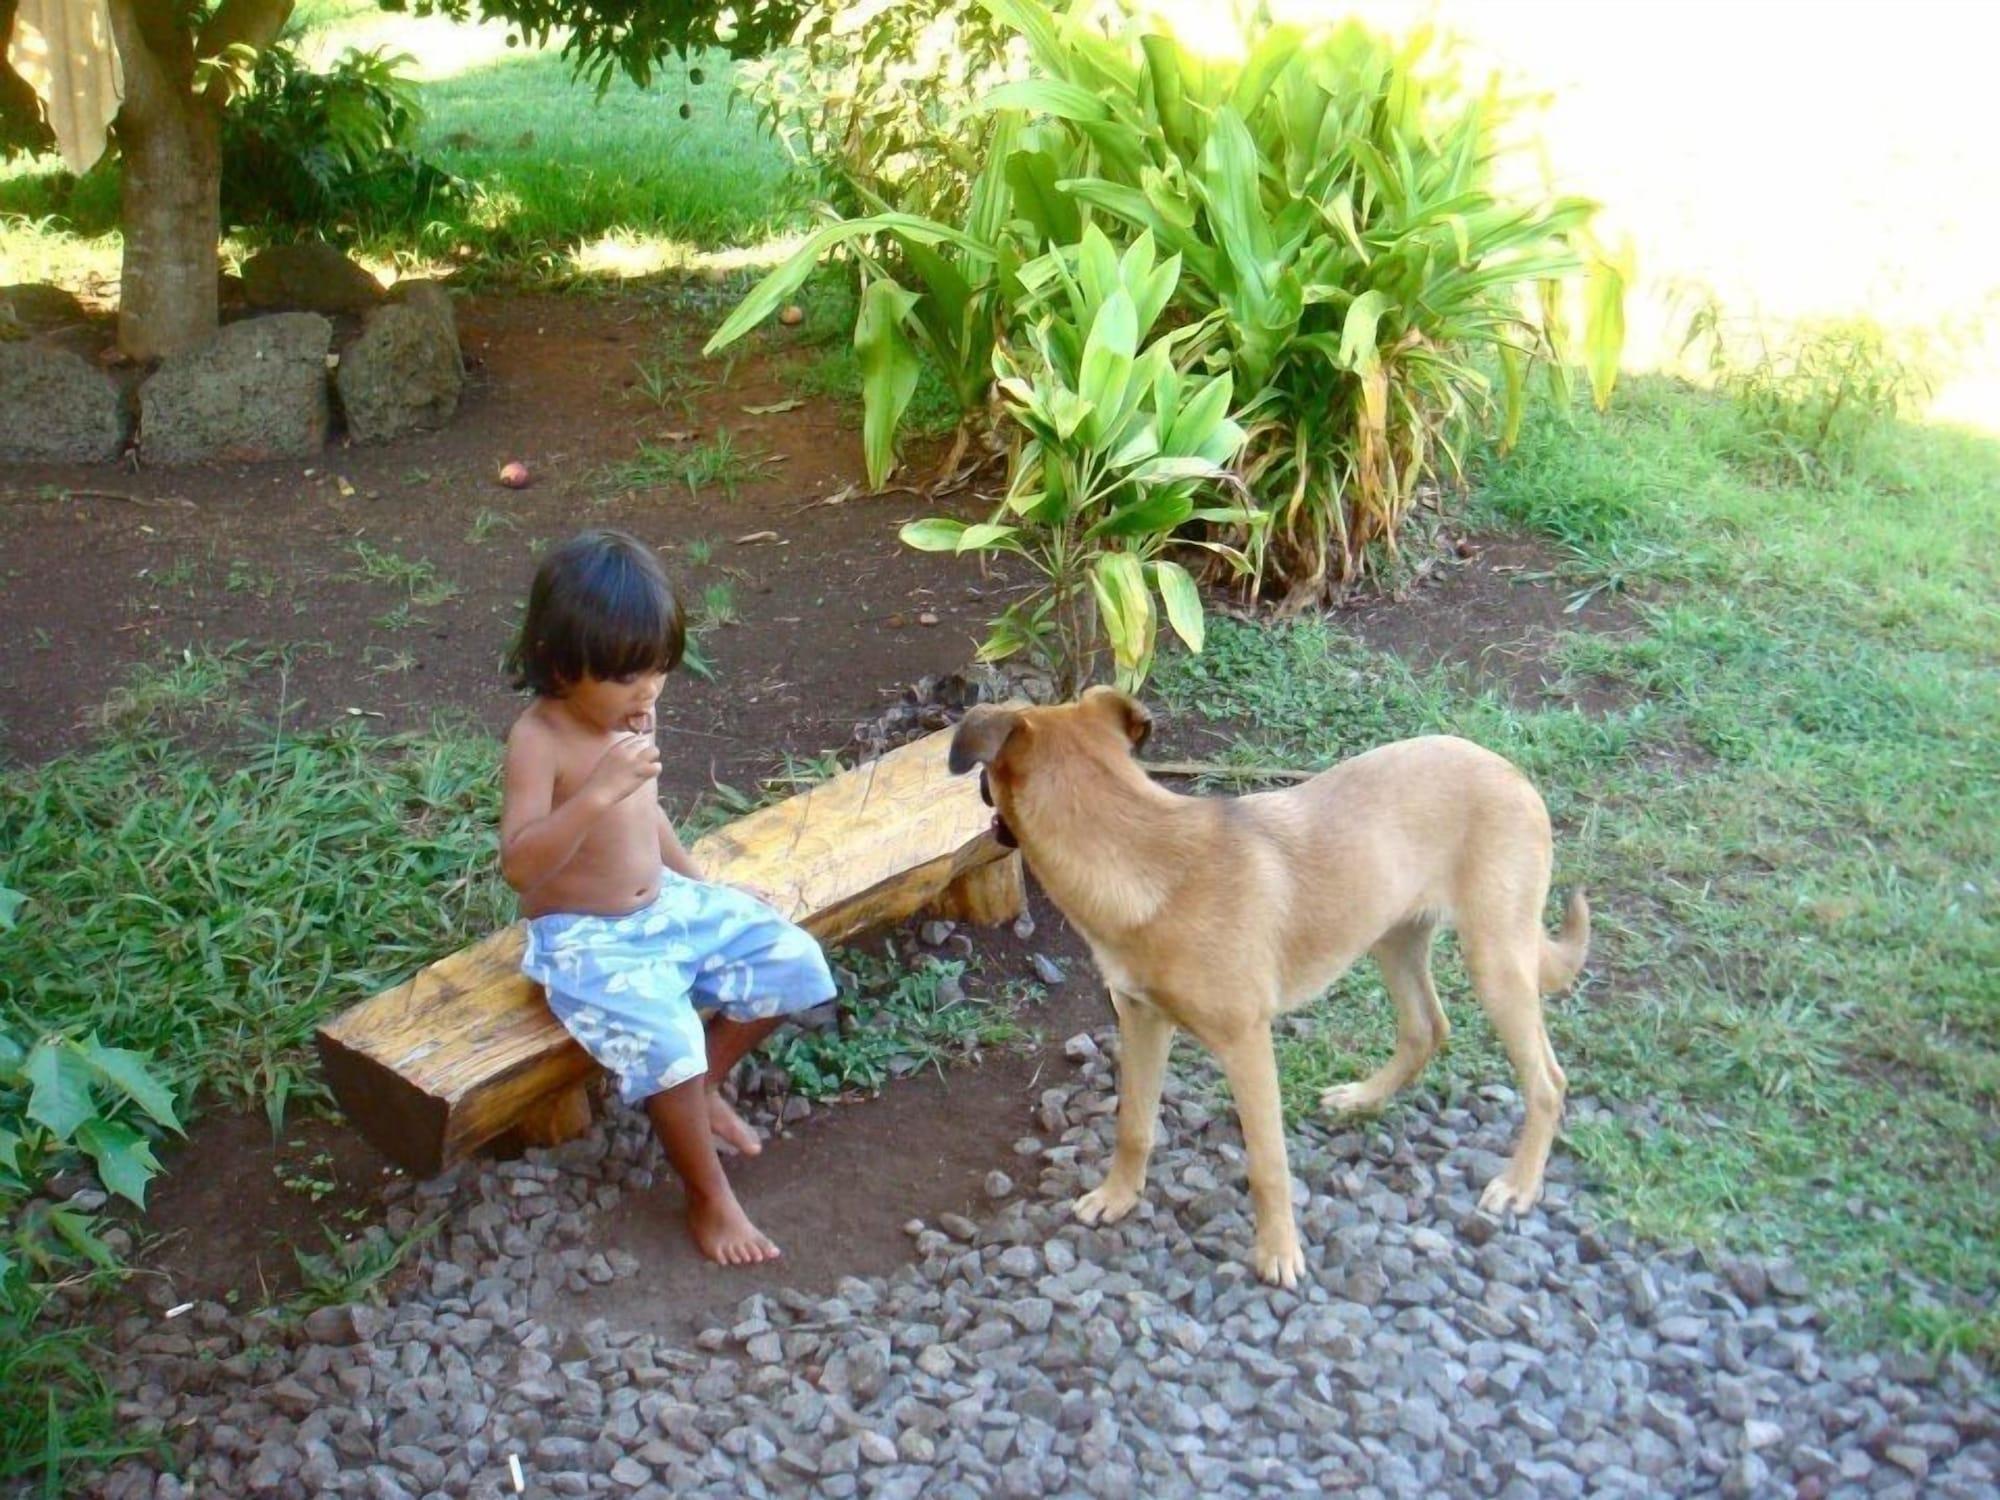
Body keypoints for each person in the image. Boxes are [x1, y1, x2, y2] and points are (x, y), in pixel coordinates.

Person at [498, 529, 834, 1265]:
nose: (647, 694)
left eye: (658, 673)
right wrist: (595, 792)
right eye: (627, 678)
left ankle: (701, 1086)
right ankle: (710, 1198)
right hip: (586, 939)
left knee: (792, 958)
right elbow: (521, 866)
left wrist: (702, 889)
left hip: (663, 907)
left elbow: (645, 810)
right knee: (672, 1038)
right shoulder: (540, 738)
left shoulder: (630, 714)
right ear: (561, 667)